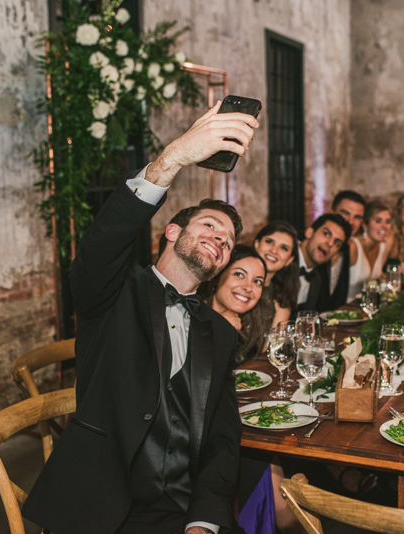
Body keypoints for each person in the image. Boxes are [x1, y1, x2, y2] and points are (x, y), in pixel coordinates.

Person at [22, 102, 258, 534]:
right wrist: (173, 159)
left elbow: (224, 440)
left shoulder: (221, 333)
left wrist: (204, 521)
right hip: (100, 506)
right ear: (172, 231)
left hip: (182, 511)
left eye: (226, 242)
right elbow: (101, 244)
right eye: (209, 226)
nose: (219, 241)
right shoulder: (112, 290)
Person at [199, 245, 266, 365]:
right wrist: (219, 328)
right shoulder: (189, 317)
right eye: (239, 275)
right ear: (217, 277)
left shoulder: (249, 323)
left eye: (257, 281)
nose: (248, 287)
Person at [317, 191, 367, 311]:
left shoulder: (347, 249)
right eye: (345, 213)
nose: (350, 221)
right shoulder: (318, 246)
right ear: (331, 213)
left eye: (357, 217)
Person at [296, 214, 350, 313]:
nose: (330, 243)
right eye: (326, 234)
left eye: (337, 243)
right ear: (309, 232)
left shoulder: (317, 278)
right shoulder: (283, 260)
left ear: (335, 255)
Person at [252, 221, 300, 333]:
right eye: (269, 242)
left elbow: (271, 345)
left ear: (289, 260)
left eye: (284, 248)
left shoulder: (281, 298)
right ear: (257, 244)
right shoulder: (231, 277)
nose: (274, 251)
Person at [352, 201, 393, 296]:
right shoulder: (354, 246)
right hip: (345, 307)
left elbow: (378, 278)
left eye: (388, 222)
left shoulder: (383, 246)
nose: (384, 226)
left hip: (368, 304)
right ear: (365, 225)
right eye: (378, 221)